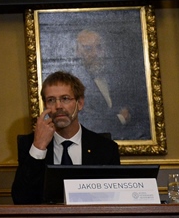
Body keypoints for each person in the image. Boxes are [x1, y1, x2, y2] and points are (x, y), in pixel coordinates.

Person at [11, 71, 120, 204]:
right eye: (51, 100)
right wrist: (39, 147)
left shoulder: (105, 148)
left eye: (65, 99)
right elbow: (21, 199)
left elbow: (115, 200)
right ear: (45, 106)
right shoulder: (30, 144)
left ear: (79, 103)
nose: (58, 106)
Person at [71, 29, 150, 140]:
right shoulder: (72, 83)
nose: (95, 54)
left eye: (99, 47)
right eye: (88, 49)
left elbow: (138, 107)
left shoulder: (118, 76)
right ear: (77, 52)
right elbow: (89, 123)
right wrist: (120, 118)